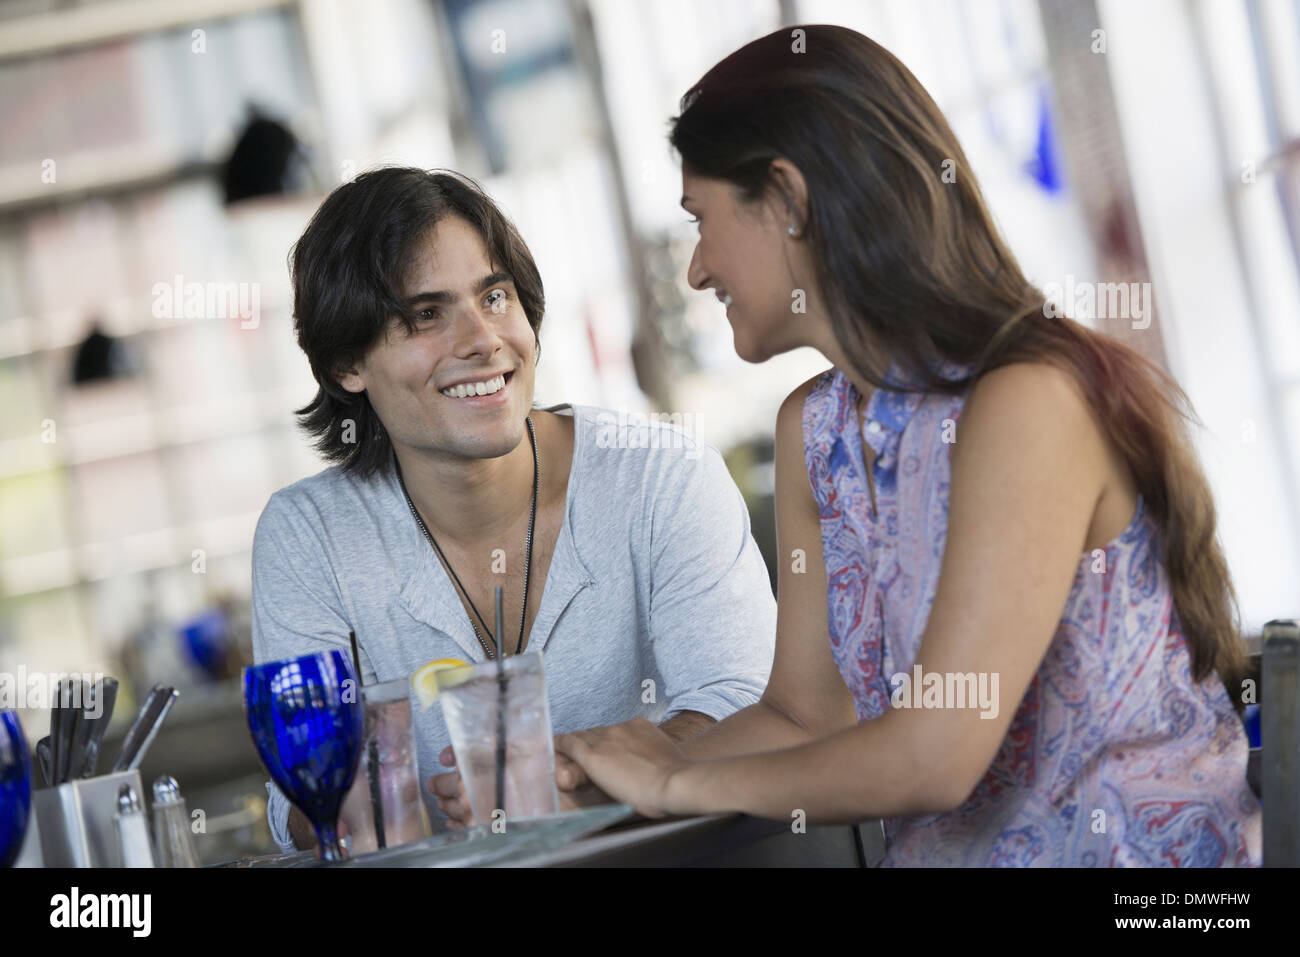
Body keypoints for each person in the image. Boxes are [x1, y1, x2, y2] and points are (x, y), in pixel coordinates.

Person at [554, 25, 1261, 867]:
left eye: (702, 219)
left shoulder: (1027, 400)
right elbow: (801, 717)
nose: (696, 270)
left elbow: (937, 753)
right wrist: (597, 772)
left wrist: (673, 784)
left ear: (787, 198)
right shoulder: (812, 429)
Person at [250, 167, 776, 851]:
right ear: (347, 361)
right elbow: (294, 802)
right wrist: (352, 801)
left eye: (494, 296)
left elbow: (748, 709)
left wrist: (574, 779)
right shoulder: (308, 537)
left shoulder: (660, 477)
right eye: (426, 314)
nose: (483, 339)